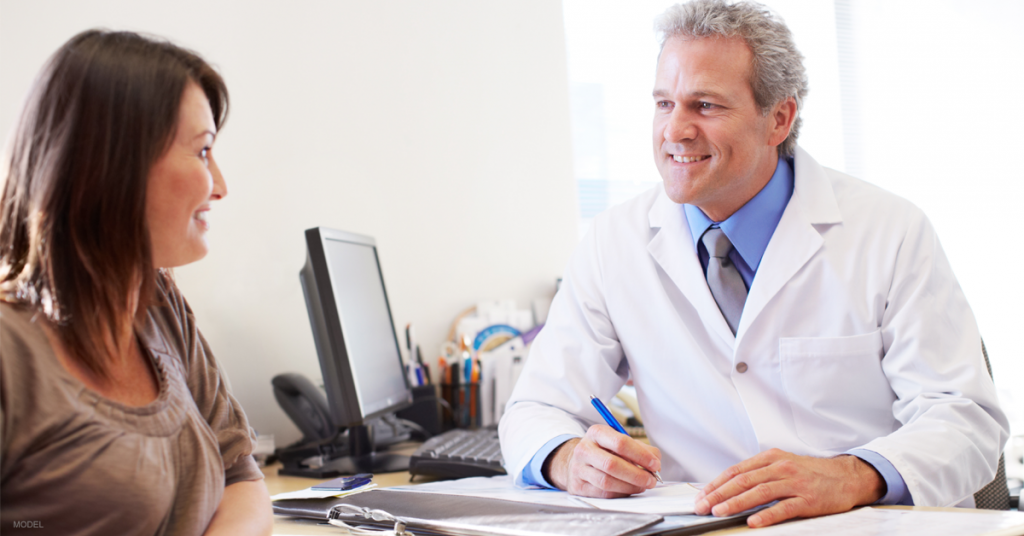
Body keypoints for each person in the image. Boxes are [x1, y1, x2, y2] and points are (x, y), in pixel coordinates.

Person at [498, 0, 1007, 528]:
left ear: (779, 119)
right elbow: (534, 410)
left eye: (705, 106)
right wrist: (566, 460)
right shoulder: (613, 243)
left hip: (868, 523)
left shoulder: (890, 231)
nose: (675, 130)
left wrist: (852, 475)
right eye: (664, 103)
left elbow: (965, 420)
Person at [0, 30, 272, 535]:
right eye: (203, 151)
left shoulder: (160, 306)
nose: (221, 185)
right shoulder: (10, 351)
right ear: (111, 166)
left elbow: (241, 477)